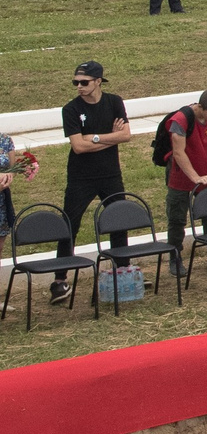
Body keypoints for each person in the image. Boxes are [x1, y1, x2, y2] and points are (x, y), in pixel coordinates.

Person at [55, 61, 130, 281]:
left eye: (84, 82)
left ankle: (122, 270)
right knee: (70, 223)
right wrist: (110, 138)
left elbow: (125, 135)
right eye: (75, 82)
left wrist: (94, 137)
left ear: (98, 82)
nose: (79, 86)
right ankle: (60, 279)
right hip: (81, 177)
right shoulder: (71, 109)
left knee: (119, 220)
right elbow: (78, 147)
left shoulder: (114, 102)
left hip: (110, 174)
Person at [161, 89, 207, 254]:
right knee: (177, 219)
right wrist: (195, 177)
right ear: (200, 107)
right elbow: (178, 152)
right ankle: (175, 256)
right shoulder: (181, 119)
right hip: (181, 176)